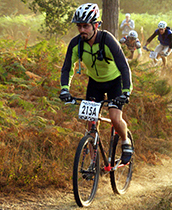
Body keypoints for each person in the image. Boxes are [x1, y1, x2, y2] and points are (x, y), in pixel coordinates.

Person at [59, 3, 134, 164]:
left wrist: (126, 91)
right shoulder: (76, 44)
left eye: (85, 26)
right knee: (91, 122)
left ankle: (125, 142)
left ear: (96, 25)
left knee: (114, 117)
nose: (82, 30)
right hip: (95, 83)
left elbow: (123, 67)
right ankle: (94, 163)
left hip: (115, 82)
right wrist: (65, 89)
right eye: (79, 26)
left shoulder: (107, 40)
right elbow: (67, 68)